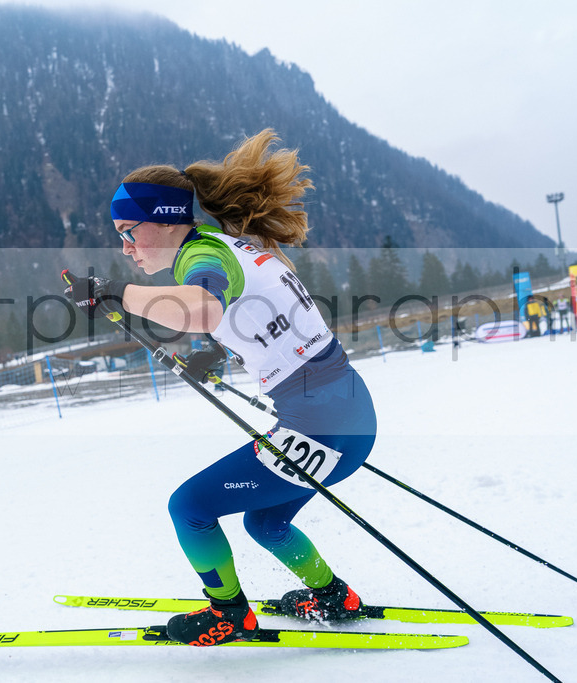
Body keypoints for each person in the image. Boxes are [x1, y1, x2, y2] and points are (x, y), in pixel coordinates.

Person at [63, 130, 377, 646]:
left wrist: (113, 291)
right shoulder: (231, 247)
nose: (125, 247)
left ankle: (229, 614)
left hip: (320, 425)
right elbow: (261, 320)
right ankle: (332, 596)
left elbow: (204, 308)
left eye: (128, 231)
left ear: (162, 220)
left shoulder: (202, 259)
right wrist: (214, 352)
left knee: (189, 507)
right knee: (265, 522)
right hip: (347, 414)